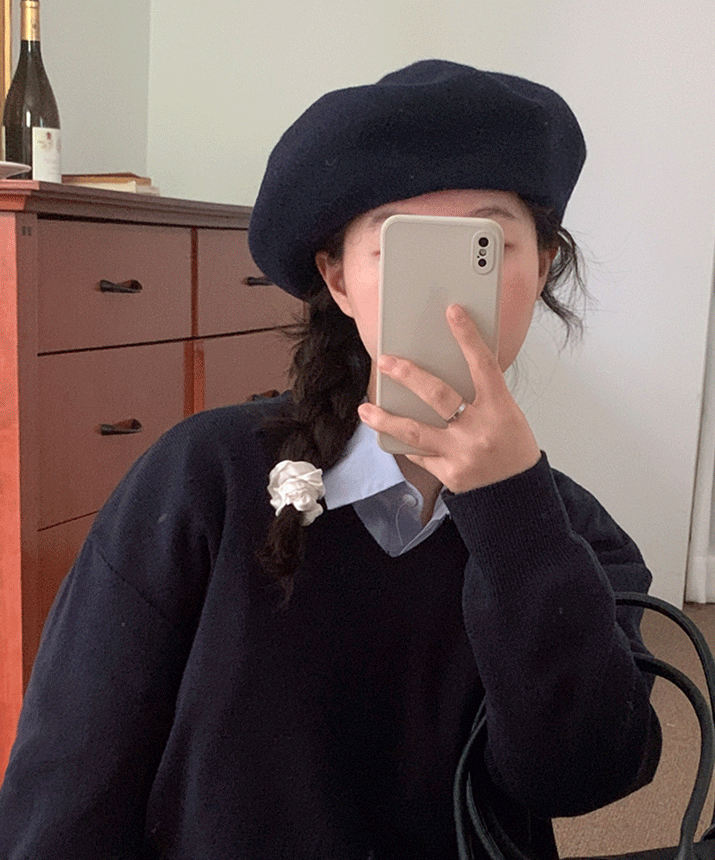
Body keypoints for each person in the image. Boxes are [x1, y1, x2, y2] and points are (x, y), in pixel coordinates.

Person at [0, 59, 661, 859]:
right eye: (402, 249)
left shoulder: (573, 535)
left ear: (543, 264)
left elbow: (578, 777)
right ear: (337, 280)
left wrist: (512, 516)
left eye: (483, 246)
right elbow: (71, 782)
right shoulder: (203, 480)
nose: (451, 298)